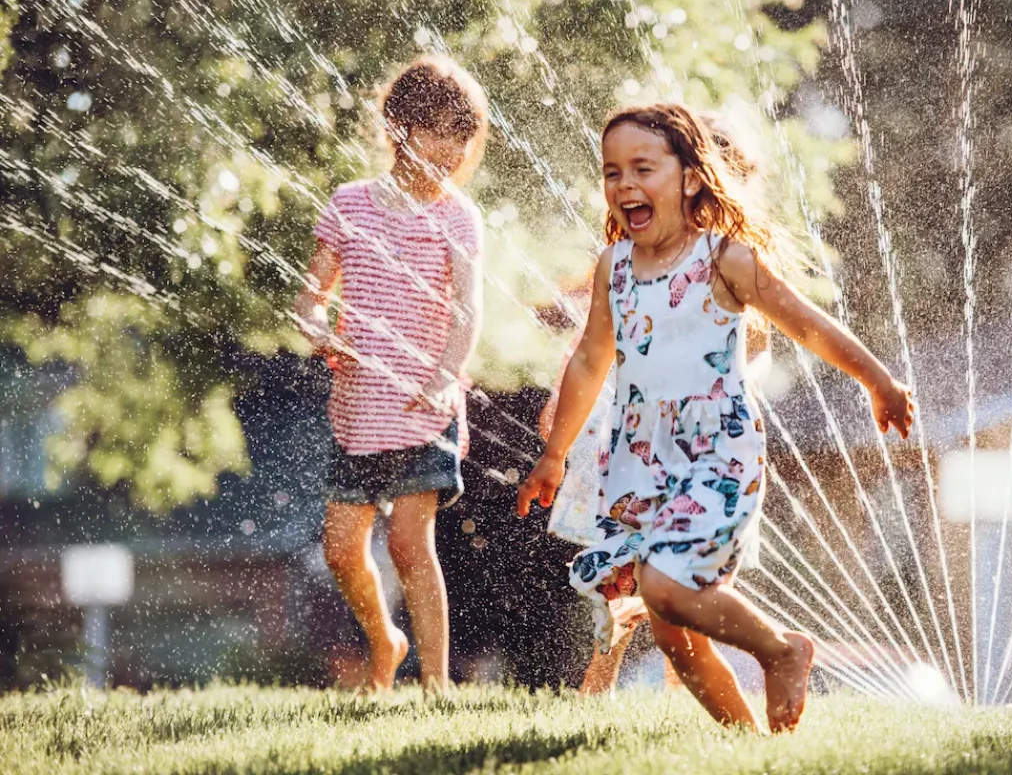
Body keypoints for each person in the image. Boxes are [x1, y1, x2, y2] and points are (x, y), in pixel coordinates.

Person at [517, 103, 913, 733]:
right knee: (676, 637)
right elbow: (591, 360)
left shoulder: (724, 258)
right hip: (639, 462)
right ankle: (751, 747)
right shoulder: (613, 267)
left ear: (691, 178)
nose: (624, 185)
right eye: (611, 171)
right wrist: (555, 452)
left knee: (666, 587)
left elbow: (805, 324)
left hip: (715, 454)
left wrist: (878, 379)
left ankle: (782, 650)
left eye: (642, 168)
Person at [538, 113, 772, 696]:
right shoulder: (631, 258)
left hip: (701, 451)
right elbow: (591, 350)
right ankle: (600, 682)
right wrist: (559, 436)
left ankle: (676, 685)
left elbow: (753, 345)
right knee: (621, 570)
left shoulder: (731, 262)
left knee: (683, 580)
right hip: (629, 440)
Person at [294, 56, 488, 692]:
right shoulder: (349, 205)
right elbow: (310, 299)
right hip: (357, 412)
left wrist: (446, 374)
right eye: (438, 131)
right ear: (398, 127)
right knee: (341, 550)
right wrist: (320, 331)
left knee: (410, 543)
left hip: (423, 409)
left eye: (462, 136)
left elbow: (468, 308)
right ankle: (386, 639)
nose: (452, 148)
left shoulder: (458, 217)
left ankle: (437, 685)